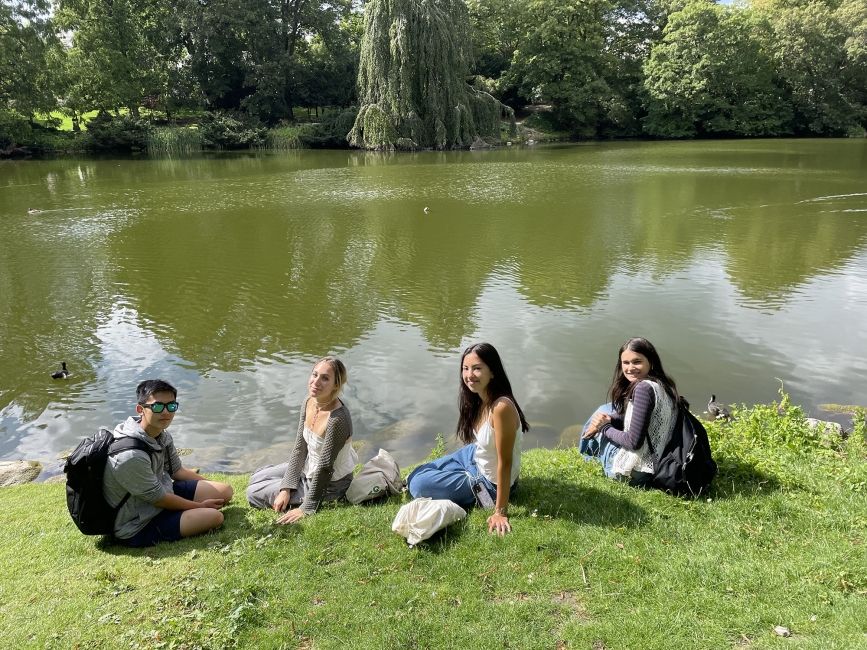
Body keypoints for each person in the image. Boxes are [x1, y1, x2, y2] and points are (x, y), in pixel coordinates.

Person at [406, 342, 529, 536]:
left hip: (489, 483)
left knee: (417, 484)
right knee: (416, 474)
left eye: (477, 368)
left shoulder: (501, 407)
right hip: (474, 456)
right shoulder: (481, 399)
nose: (469, 375)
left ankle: (468, 486)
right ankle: (454, 475)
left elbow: (505, 462)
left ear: (493, 372)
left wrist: (500, 512)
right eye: (465, 368)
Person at [104, 379, 234, 547]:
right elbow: (159, 499)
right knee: (214, 517)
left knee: (225, 491)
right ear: (140, 409)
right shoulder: (130, 455)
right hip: (137, 523)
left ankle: (192, 510)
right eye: (158, 406)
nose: (166, 412)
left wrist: (209, 486)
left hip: (161, 496)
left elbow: (177, 471)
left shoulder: (162, 435)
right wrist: (198, 505)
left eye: (171, 406)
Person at [246, 357, 357, 524]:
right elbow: (300, 448)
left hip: (331, 483)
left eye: (325, 378)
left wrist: (307, 507)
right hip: (307, 467)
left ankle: (298, 494)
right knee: (255, 478)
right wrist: (286, 487)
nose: (316, 382)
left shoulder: (338, 419)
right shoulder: (309, 402)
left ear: (336, 384)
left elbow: (326, 468)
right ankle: (289, 487)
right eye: (315, 375)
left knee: (252, 493)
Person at [581, 337, 679, 486]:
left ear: (650, 362)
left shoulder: (643, 389)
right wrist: (610, 419)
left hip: (634, 473)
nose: (630, 368)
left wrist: (604, 427)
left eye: (637, 362)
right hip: (659, 460)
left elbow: (633, 443)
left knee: (602, 413)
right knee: (606, 412)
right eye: (625, 363)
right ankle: (588, 450)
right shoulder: (663, 383)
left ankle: (587, 454)